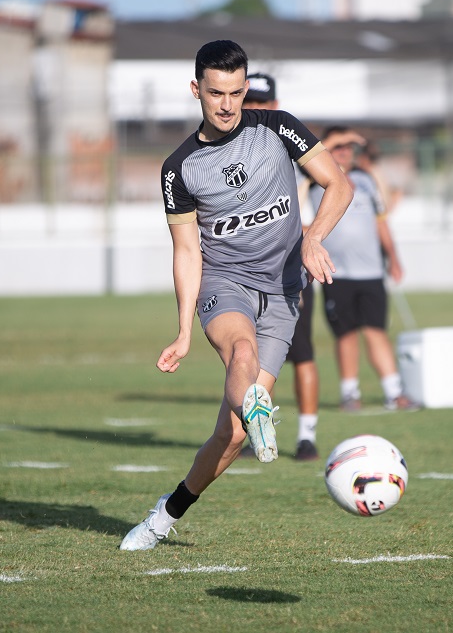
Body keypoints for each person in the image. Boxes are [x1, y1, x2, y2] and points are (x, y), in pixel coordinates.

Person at [120, 41, 353, 551]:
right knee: (240, 352)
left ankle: (165, 514)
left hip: (285, 292)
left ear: (246, 88)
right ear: (196, 89)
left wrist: (312, 237)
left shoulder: (278, 128)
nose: (227, 105)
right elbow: (186, 250)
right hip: (225, 284)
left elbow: (338, 183)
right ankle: (257, 406)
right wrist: (183, 331)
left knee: (232, 436)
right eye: (215, 93)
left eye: (236, 92)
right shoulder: (179, 167)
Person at [309, 126, 420, 412]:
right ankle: (349, 393)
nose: (344, 152)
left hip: (370, 272)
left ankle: (394, 392)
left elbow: (380, 221)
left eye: (348, 147)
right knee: (345, 333)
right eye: (338, 147)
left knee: (375, 330)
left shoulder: (366, 180)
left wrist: (393, 257)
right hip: (336, 272)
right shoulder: (313, 180)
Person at [239, 72, 321, 461]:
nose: (252, 108)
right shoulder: (228, 149)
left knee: (302, 353)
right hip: (243, 274)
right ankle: (241, 430)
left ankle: (306, 435)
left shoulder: (289, 146)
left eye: (260, 102)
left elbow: (332, 178)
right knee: (242, 355)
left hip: (291, 270)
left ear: (273, 105)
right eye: (247, 101)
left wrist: (312, 237)